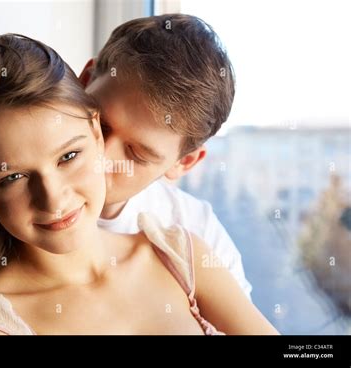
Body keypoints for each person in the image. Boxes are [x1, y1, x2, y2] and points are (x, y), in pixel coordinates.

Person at [0, 34, 277, 335]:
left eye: (69, 157)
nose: (54, 199)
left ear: (93, 133)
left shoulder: (183, 254)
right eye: (12, 177)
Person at [79, 14, 252, 298]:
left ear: (184, 162)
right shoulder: (6, 194)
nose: (101, 158)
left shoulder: (200, 238)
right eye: (100, 123)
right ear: (84, 81)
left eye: (136, 154)